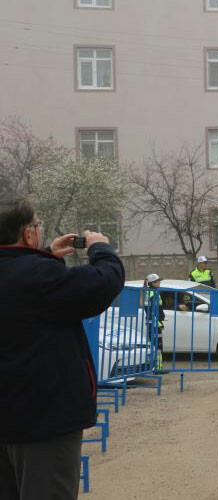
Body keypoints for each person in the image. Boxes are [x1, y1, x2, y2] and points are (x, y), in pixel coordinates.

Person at [0, 194, 124, 500]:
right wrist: (102, 249)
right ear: (27, 233)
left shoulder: (29, 273)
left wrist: (45, 256)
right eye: (37, 225)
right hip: (43, 423)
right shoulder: (37, 277)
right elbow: (103, 283)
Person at [143, 273, 167, 374]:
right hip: (155, 324)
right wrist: (160, 319)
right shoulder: (154, 294)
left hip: (152, 323)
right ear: (152, 283)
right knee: (158, 346)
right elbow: (155, 311)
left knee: (154, 345)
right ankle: (157, 368)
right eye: (158, 281)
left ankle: (155, 367)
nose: (159, 282)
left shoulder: (150, 292)